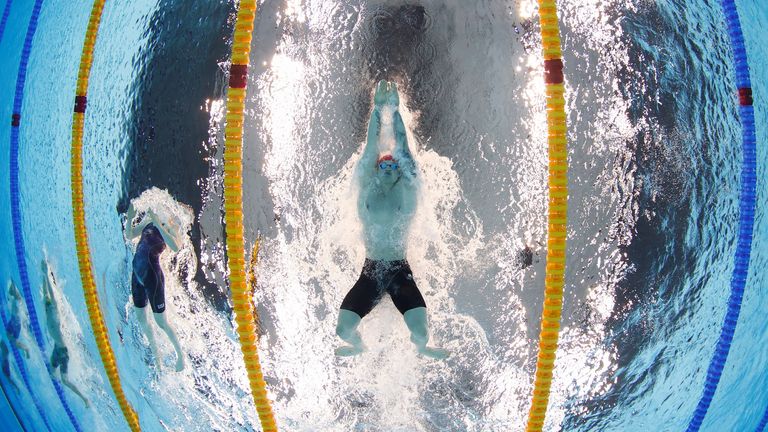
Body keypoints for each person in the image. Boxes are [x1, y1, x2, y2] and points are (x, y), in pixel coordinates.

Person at [335, 80, 448, 359]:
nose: (389, 165)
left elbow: (404, 150)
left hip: (399, 272)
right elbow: (371, 146)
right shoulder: (366, 187)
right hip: (371, 273)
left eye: (393, 164)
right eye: (383, 163)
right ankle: (358, 345)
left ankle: (422, 349)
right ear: (376, 168)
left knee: (421, 332)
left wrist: (395, 112)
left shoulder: (406, 192)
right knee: (343, 330)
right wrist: (377, 110)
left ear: (398, 171)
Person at [124, 202, 185, 371]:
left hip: (153, 277)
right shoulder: (148, 221)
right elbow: (130, 235)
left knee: (161, 322)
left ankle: (180, 357)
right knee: (142, 319)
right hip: (137, 274)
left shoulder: (171, 230)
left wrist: (158, 222)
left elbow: (175, 247)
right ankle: (157, 358)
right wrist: (130, 217)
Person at [41, 260, 90, 407]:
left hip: (63, 351)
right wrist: (43, 275)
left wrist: (46, 274)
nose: (47, 301)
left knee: (65, 380)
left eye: (48, 301)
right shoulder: (47, 308)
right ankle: (56, 399)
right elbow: (45, 293)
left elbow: (50, 293)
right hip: (57, 348)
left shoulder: (55, 311)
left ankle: (84, 398)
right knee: (51, 372)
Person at [5, 281, 29, 359]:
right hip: (13, 321)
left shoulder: (18, 300)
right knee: (12, 339)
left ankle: (26, 348)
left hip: (15, 323)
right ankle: (25, 348)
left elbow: (17, 296)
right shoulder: (16, 300)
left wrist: (12, 281)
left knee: (13, 340)